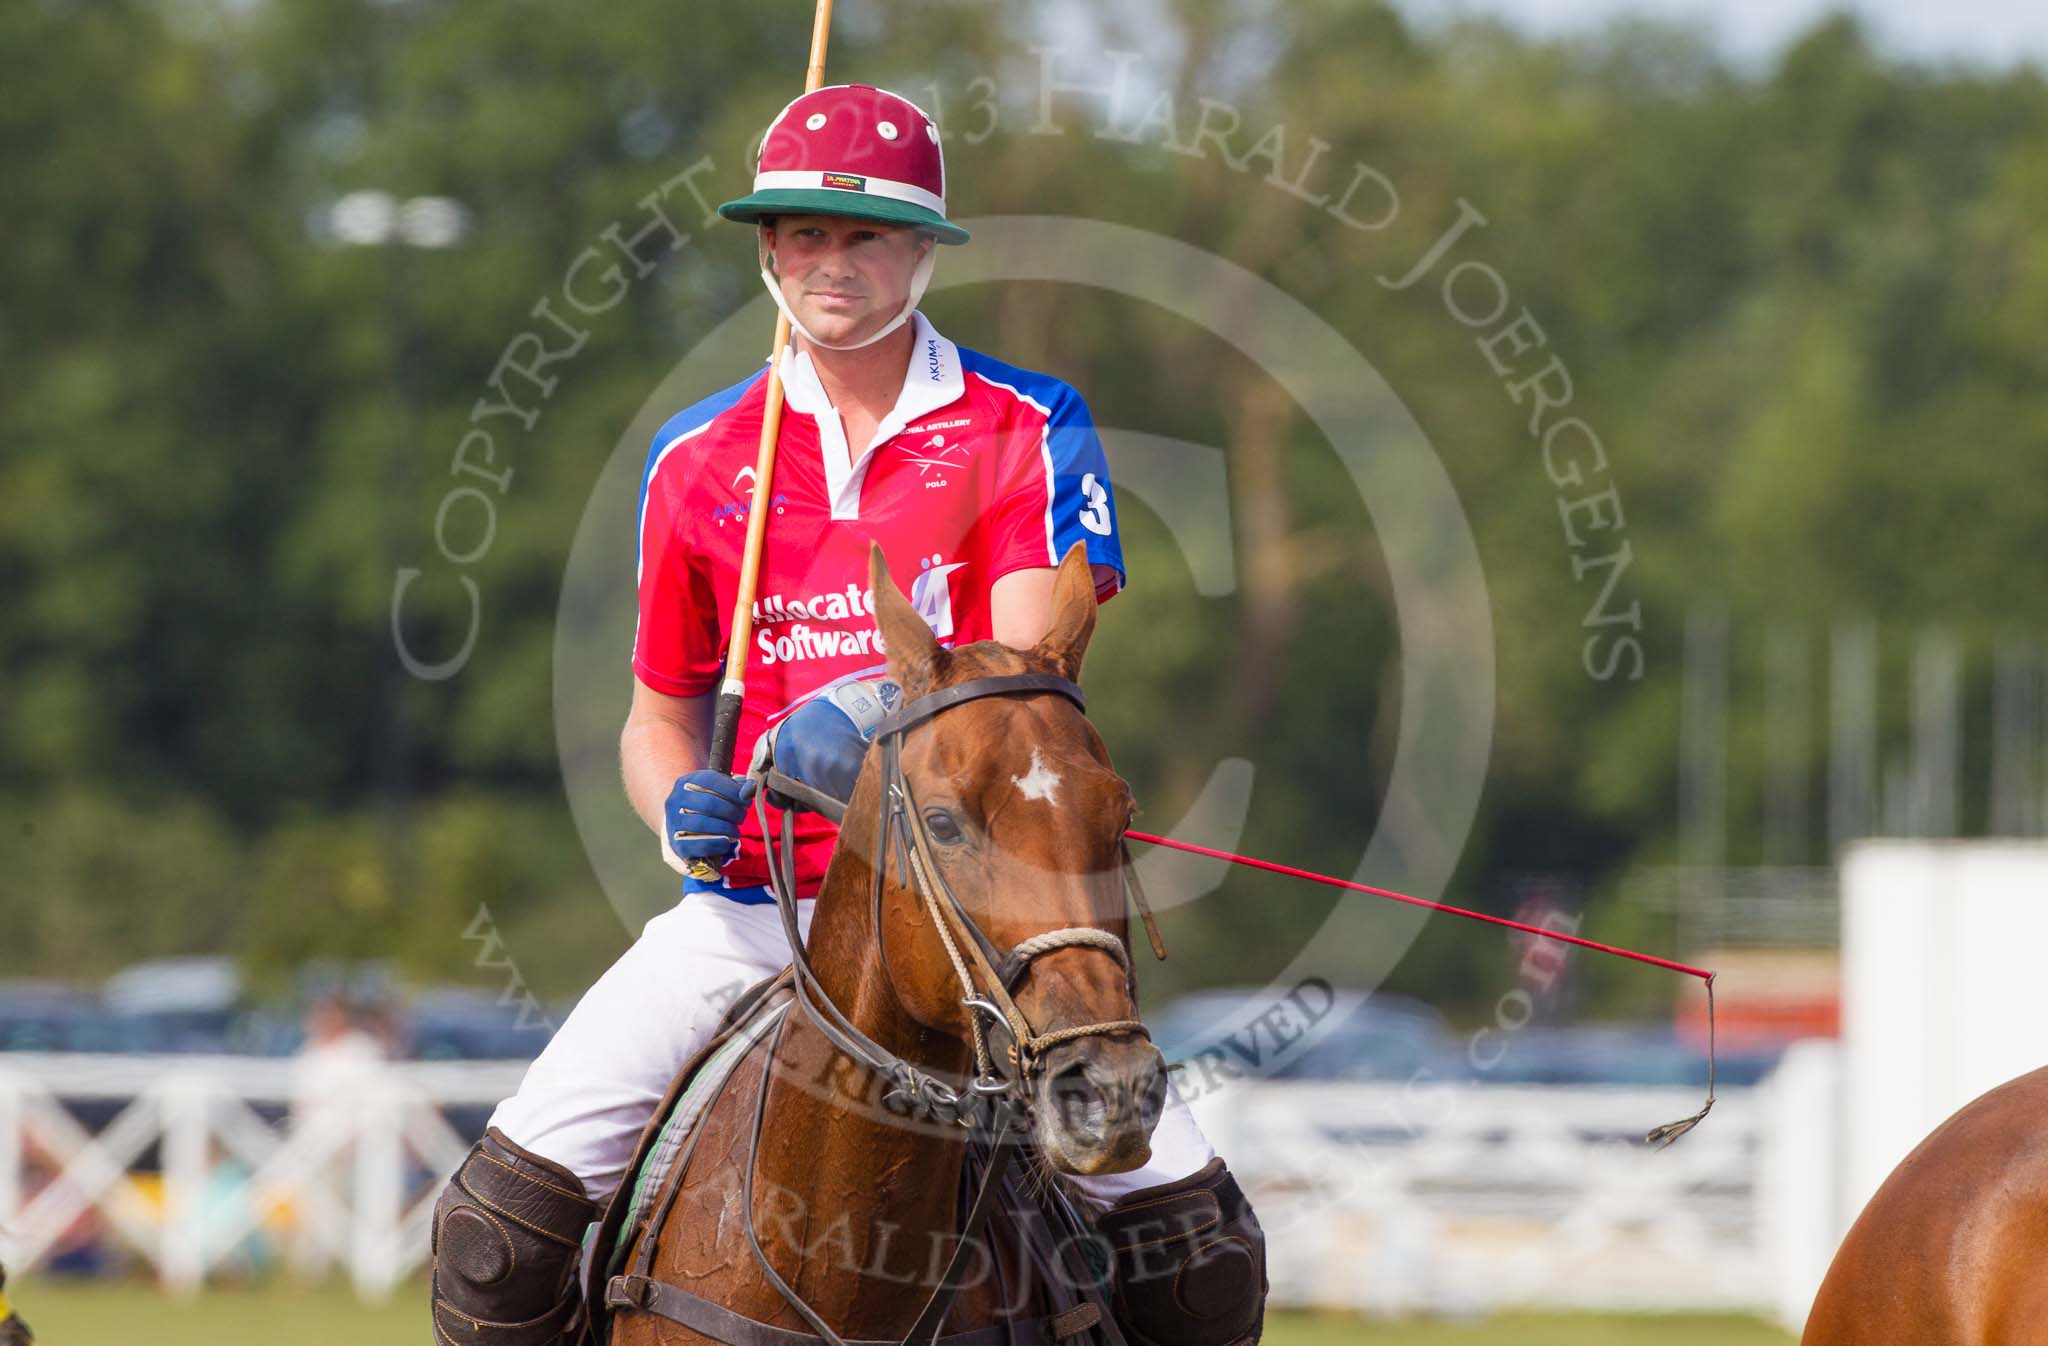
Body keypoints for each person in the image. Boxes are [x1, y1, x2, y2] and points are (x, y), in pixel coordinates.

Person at [430, 85, 1265, 1346]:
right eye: (803, 233)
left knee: (1202, 1259)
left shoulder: (1023, 424)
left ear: (923, 251)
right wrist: (681, 809)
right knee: (493, 1240)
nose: (832, 261)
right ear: (767, 251)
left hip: (978, 925)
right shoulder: (702, 456)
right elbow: (655, 718)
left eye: (864, 235)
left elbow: (1031, 658)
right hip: (755, 911)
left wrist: (857, 717)